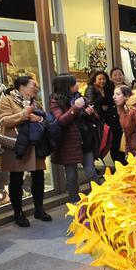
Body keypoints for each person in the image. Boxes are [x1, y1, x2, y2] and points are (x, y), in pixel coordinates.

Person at [0, 75, 50, 227]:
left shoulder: (35, 102)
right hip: (17, 145)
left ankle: (39, 209)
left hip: (35, 144)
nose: (36, 88)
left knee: (38, 177)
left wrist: (38, 119)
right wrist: (25, 114)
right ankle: (18, 213)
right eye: (33, 85)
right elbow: (5, 120)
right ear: (22, 86)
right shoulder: (7, 100)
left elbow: (43, 119)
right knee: (16, 179)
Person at [50, 73, 100, 203]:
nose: (78, 84)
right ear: (67, 86)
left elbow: (94, 116)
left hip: (85, 140)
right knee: (72, 176)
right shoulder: (56, 101)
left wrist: (91, 113)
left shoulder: (80, 97)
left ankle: (99, 198)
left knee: (91, 172)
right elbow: (61, 120)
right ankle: (75, 202)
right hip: (68, 144)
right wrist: (75, 107)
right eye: (74, 83)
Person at [85, 70, 124, 167]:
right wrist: (103, 101)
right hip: (102, 121)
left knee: (120, 143)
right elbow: (91, 104)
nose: (102, 81)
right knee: (112, 144)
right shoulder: (95, 89)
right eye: (99, 79)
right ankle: (118, 166)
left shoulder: (105, 88)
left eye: (103, 79)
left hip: (114, 120)